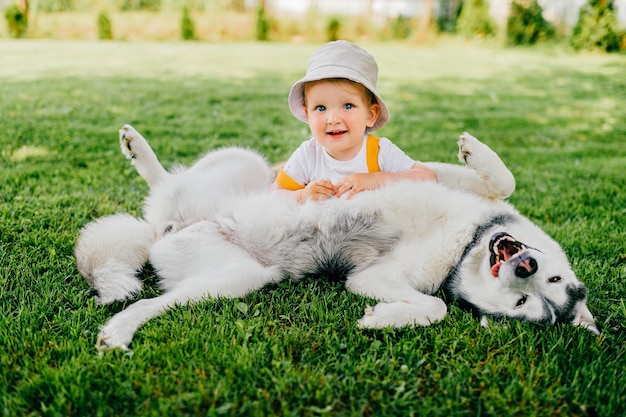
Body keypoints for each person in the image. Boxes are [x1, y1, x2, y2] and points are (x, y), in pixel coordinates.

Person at [271, 40, 436, 203]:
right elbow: (272, 195)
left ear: (370, 115)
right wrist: (301, 196)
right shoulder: (308, 155)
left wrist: (376, 180)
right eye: (320, 108)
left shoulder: (379, 152)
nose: (333, 119)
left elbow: (428, 178)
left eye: (348, 106)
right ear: (308, 115)